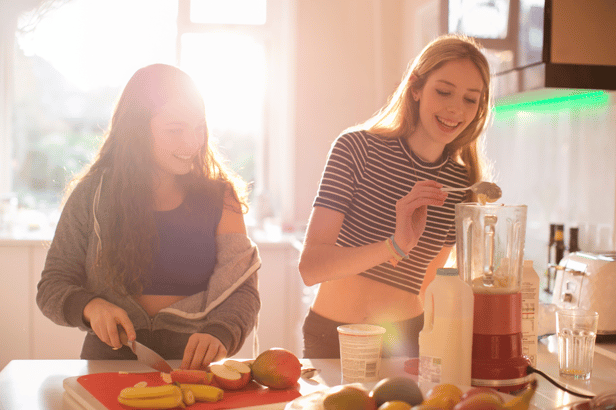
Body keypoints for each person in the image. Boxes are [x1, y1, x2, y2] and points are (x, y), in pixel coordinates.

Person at [37, 64, 260, 369]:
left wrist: (222, 332)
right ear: (137, 129)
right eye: (175, 130)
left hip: (192, 367)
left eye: (199, 127)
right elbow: (52, 285)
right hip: (108, 363)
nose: (192, 143)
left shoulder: (222, 198)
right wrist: (91, 306)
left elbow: (242, 290)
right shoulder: (91, 194)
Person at [298, 34, 493, 358]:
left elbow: (429, 286)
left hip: (406, 344)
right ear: (415, 88)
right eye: (444, 91)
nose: (455, 109)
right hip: (332, 338)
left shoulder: (462, 184)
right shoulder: (356, 148)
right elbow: (311, 268)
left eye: (470, 99)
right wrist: (394, 245)